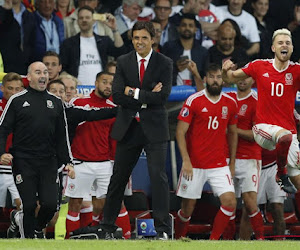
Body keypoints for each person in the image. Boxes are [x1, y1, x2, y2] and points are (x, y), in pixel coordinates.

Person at [98, 21, 173, 240]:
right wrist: (145, 95)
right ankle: (107, 226)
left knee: (158, 178)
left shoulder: (164, 63)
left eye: (144, 38)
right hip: (129, 127)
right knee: (118, 178)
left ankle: (162, 230)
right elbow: (118, 95)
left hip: (155, 129)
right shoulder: (123, 61)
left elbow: (162, 97)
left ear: (153, 39)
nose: (139, 42)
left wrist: (134, 92)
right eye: (136, 38)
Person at [0, 62, 75, 238]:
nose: (43, 75)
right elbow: (2, 129)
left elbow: (61, 136)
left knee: (50, 205)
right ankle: (28, 241)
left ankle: (35, 227)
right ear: (29, 77)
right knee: (29, 205)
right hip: (23, 160)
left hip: (48, 161)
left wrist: (69, 162)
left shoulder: (56, 102)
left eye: (45, 72)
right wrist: (1, 152)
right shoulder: (16, 100)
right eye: (38, 72)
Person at [222, 28, 300, 194]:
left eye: (288, 43)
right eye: (280, 43)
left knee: (297, 173)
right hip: (263, 128)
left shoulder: (296, 71)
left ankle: (286, 175)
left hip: (288, 131)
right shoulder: (259, 66)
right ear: (273, 48)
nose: (284, 45)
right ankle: (281, 174)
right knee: (284, 137)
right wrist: (224, 70)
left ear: (292, 48)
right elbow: (230, 78)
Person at [174, 63, 237, 240]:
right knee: (187, 209)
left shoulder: (230, 103)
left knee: (230, 202)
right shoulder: (194, 100)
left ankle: (212, 242)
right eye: (212, 76)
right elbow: (180, 132)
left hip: (219, 164)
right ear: (205, 79)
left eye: (218, 77)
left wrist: (231, 162)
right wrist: (185, 160)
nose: (215, 80)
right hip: (194, 164)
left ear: (223, 80)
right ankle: (178, 240)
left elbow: (232, 133)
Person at [223, 77, 264, 240]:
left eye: (246, 78)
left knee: (249, 204)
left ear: (252, 80)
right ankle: (228, 242)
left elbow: (256, 135)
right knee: (227, 203)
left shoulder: (257, 101)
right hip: (226, 157)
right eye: (239, 78)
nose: (242, 81)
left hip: (249, 158)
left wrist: (233, 130)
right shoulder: (228, 98)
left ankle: (253, 240)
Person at [60, 6, 125, 86]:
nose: (84, 20)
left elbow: (120, 53)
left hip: (100, 90)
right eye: (81, 18)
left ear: (94, 21)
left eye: (87, 17)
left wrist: (114, 29)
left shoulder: (103, 41)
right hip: (78, 90)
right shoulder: (68, 43)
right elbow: (62, 68)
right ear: (77, 21)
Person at [0, 73, 24, 238]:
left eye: (18, 89)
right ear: (2, 89)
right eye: (10, 89)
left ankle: (19, 235)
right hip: (1, 163)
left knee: (22, 205)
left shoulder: (26, 108)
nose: (14, 93)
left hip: (20, 164)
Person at [162, 13, 206, 90]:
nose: (187, 28)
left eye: (191, 26)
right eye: (184, 25)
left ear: (196, 29)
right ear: (178, 28)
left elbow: (205, 75)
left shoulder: (202, 52)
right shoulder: (168, 47)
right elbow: (161, 72)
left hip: (194, 93)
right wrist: (176, 68)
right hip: (172, 94)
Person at [0, 0, 35, 74]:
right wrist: (6, 10)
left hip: (24, 65)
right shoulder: (2, 12)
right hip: (4, 64)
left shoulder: (30, 15)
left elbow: (32, 42)